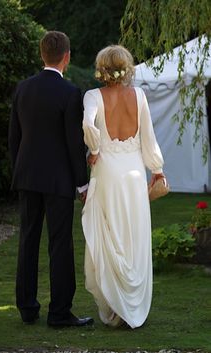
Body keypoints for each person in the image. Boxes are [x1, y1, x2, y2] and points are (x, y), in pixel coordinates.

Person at [9, 30, 93, 327]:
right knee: (60, 243)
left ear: (42, 54)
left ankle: (27, 308)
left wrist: (17, 172)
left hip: (27, 177)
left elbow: (14, 139)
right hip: (58, 181)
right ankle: (59, 312)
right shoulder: (70, 93)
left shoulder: (23, 88)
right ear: (66, 57)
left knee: (28, 240)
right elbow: (74, 144)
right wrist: (82, 184)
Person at [82, 45, 165, 328]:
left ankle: (116, 306)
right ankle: (130, 302)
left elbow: (88, 123)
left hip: (107, 171)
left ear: (102, 68)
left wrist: (93, 148)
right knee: (132, 236)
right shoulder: (139, 95)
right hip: (133, 173)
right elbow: (149, 139)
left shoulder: (93, 96)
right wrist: (156, 169)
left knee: (110, 235)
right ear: (126, 67)